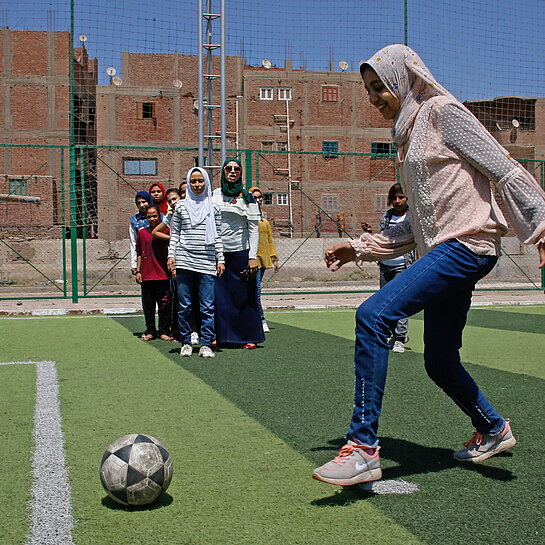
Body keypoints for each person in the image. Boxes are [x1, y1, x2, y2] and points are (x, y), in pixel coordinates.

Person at [312, 44, 545, 487]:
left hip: (466, 246)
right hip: (444, 248)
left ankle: (362, 448)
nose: (375, 97)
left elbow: (505, 168)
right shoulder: (408, 133)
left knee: (373, 315)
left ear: (403, 80)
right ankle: (493, 428)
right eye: (369, 90)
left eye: (380, 87)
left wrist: (542, 224)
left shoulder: (442, 112)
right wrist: (359, 247)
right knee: (439, 360)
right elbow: (420, 226)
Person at [168, 168, 224, 358]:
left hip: (207, 261)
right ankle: (186, 341)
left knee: (207, 305)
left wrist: (220, 258)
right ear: (189, 183)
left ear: (206, 183)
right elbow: (175, 234)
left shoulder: (214, 207)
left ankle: (206, 343)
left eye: (201, 181)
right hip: (184, 260)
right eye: (194, 181)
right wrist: (171, 256)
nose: (197, 185)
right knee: (185, 305)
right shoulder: (181, 207)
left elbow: (218, 236)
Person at [212, 158, 264, 349]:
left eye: (236, 169)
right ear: (223, 172)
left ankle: (248, 337)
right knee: (220, 296)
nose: (232, 172)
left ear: (241, 173)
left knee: (245, 296)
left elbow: (253, 228)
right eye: (228, 168)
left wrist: (252, 257)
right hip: (219, 254)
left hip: (241, 253)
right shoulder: (215, 195)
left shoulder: (247, 196)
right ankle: (222, 336)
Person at [361, 183, 416, 353]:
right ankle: (391, 334)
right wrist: (370, 233)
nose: (397, 201)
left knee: (400, 302)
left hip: (403, 266)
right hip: (386, 266)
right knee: (385, 302)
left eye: (401, 197)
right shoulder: (386, 217)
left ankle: (399, 338)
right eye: (394, 198)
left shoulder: (411, 217)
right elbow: (383, 239)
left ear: (407, 199)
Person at [135, 205, 172, 342]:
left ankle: (163, 331)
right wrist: (138, 270)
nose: (152, 218)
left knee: (164, 305)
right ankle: (150, 330)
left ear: (159, 216)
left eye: (154, 216)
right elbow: (139, 252)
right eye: (149, 216)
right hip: (147, 274)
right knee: (148, 305)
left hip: (162, 273)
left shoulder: (166, 231)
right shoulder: (142, 233)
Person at [152, 188, 182, 341]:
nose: (173, 202)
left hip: (194, 258)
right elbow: (155, 232)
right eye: (170, 201)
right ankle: (177, 331)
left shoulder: (191, 211)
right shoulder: (170, 216)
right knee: (178, 297)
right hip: (177, 259)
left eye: (175, 199)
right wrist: (171, 239)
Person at [250, 187, 280, 333]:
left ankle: (258, 319)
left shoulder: (264, 218)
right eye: (254, 197)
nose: (258, 199)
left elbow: (269, 239)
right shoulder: (247, 215)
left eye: (259, 197)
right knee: (254, 290)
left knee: (256, 290)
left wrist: (274, 258)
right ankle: (260, 319)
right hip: (250, 259)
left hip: (262, 258)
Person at [129, 190, 152, 276]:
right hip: (143, 258)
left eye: (144, 202)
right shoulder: (134, 221)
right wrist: (133, 263)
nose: (142, 205)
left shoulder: (160, 216)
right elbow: (133, 242)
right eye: (138, 203)